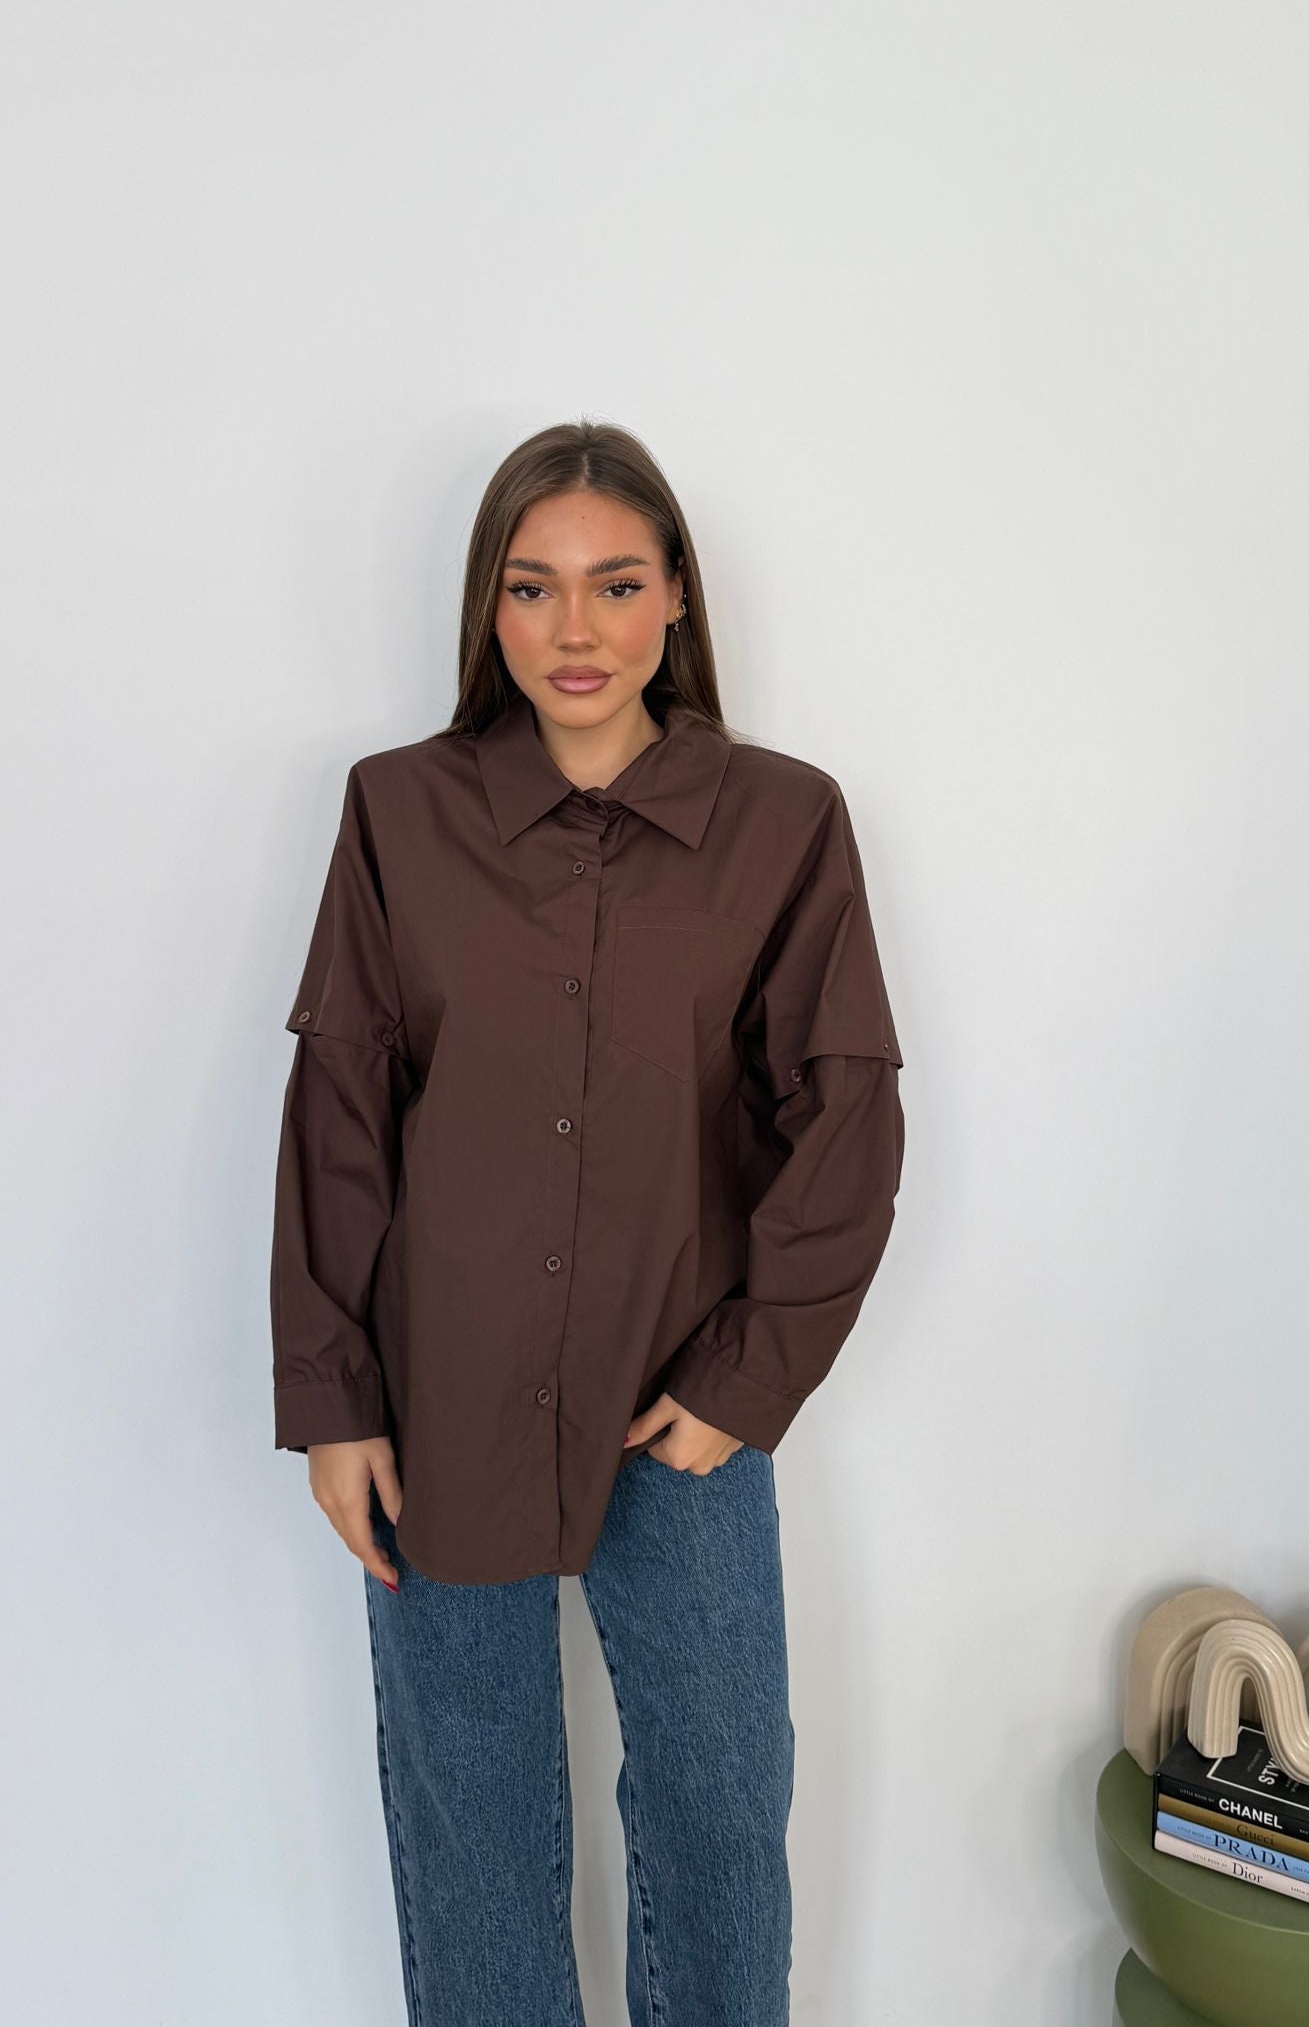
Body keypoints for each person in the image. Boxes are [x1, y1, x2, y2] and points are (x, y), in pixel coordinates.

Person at [269, 417, 906, 2026]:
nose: (575, 630)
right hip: (443, 1389)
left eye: (615, 585)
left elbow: (843, 1109)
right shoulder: (397, 813)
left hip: (679, 1394)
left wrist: (748, 1379)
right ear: (486, 607)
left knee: (717, 1811)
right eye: (531, 586)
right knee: (473, 1832)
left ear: (675, 595)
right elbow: (340, 1113)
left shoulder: (784, 822)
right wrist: (336, 1401)